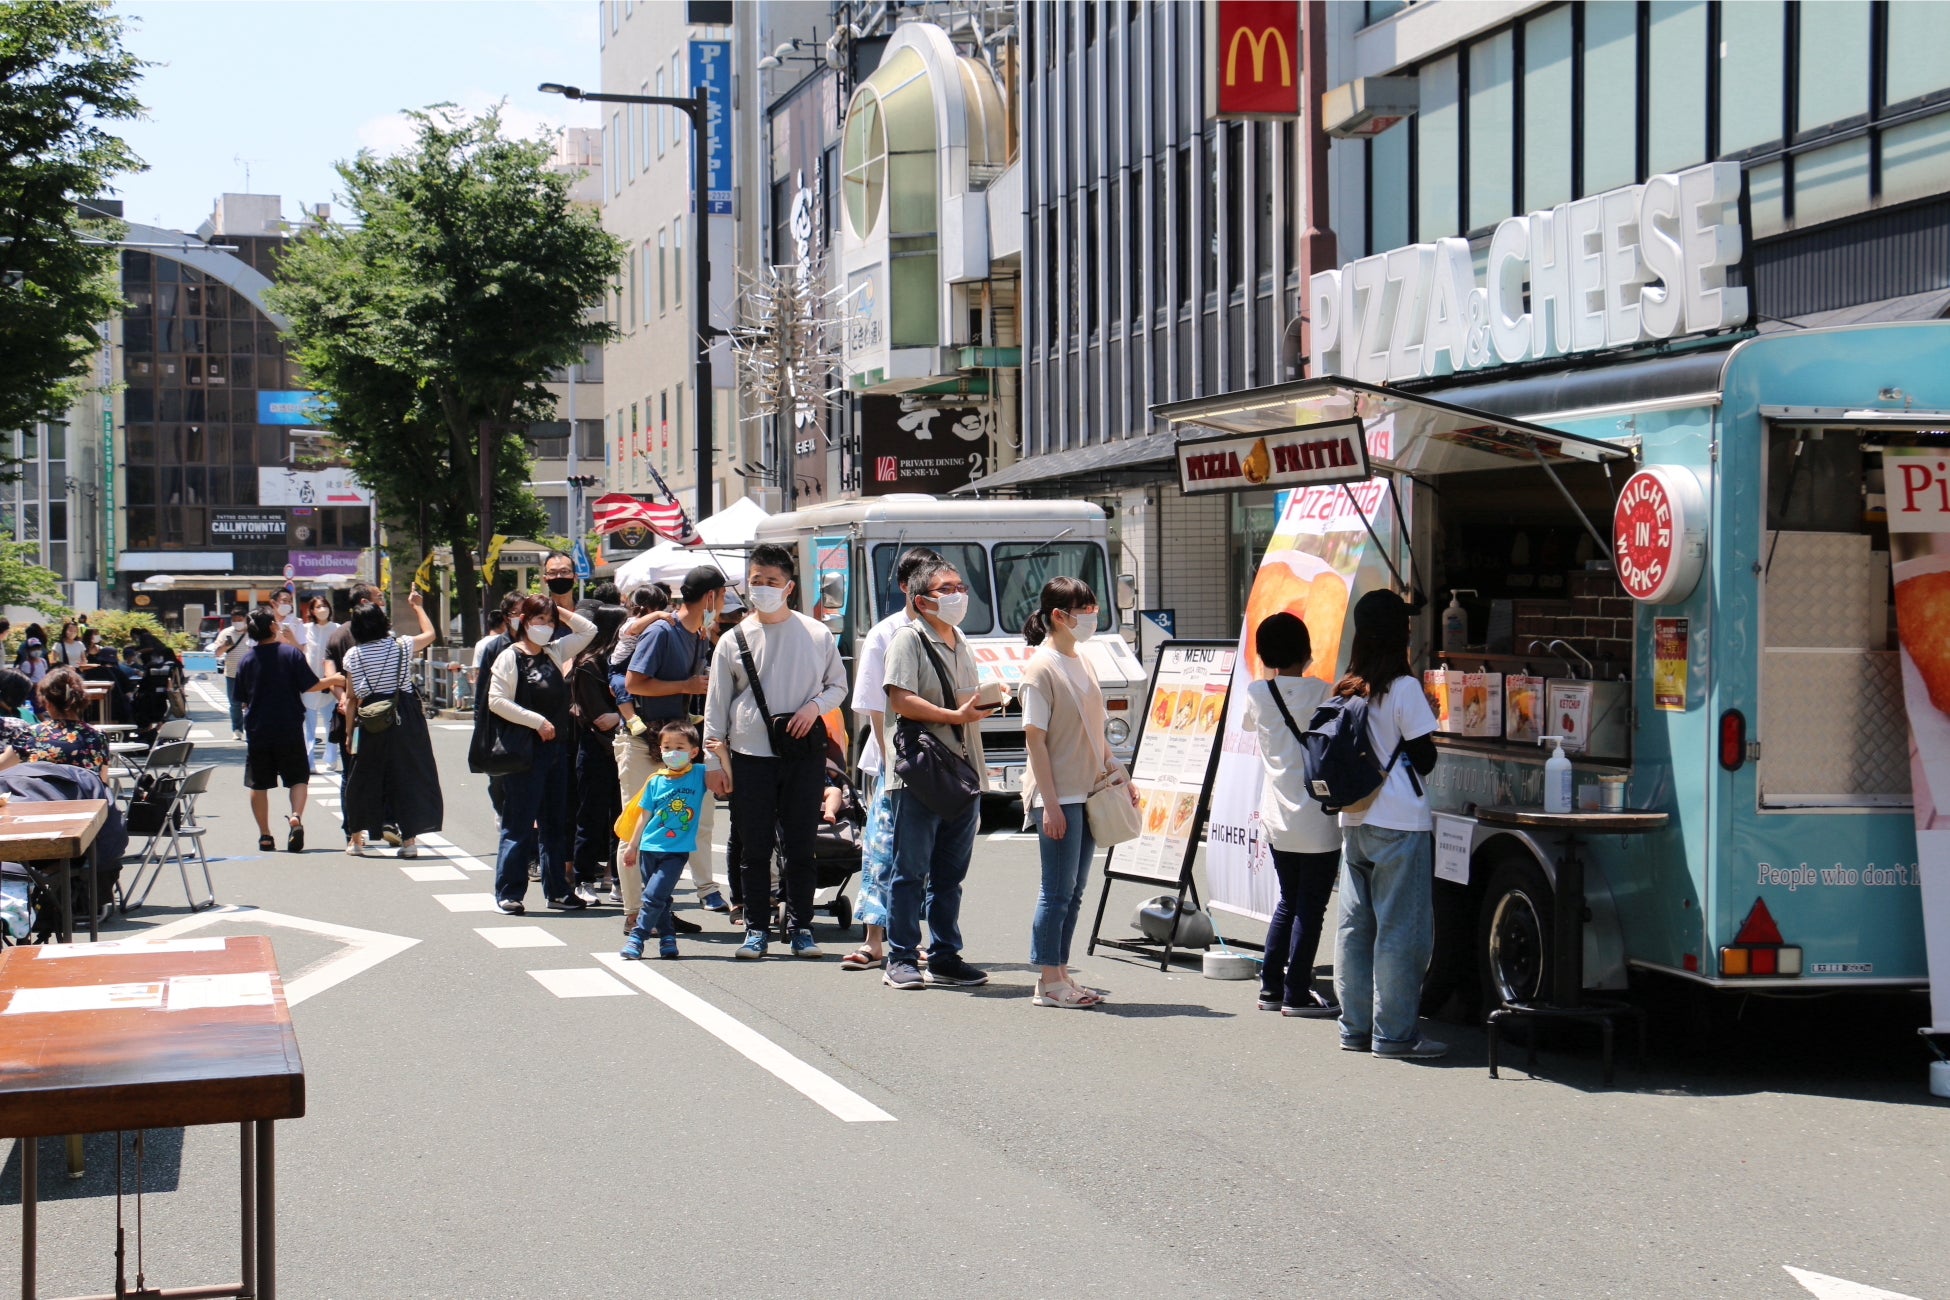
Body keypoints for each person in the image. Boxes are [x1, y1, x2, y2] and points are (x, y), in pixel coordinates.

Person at [702, 543, 848, 960]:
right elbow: (716, 706)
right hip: (750, 754)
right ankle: (755, 928)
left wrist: (813, 708)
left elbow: (838, 685)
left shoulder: (816, 633)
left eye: (772, 581)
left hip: (802, 755)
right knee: (754, 846)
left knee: (802, 844)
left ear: (789, 587)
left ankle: (802, 926)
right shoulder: (733, 640)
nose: (763, 588)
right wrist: (714, 761)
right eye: (756, 581)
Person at [1332, 589, 1444, 1060]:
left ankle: (1354, 1028)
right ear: (1399, 633)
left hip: (1354, 818)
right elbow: (1425, 758)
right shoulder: (1403, 688)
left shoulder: (1347, 685)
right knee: (1401, 929)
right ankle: (1395, 1035)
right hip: (1399, 820)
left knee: (1356, 928)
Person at [879, 557, 999, 991]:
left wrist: (982, 704)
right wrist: (955, 714)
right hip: (922, 773)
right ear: (921, 600)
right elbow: (900, 700)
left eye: (960, 586)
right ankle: (901, 956)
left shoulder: (960, 637)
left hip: (963, 771)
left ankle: (946, 955)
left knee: (951, 874)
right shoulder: (906, 640)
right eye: (946, 589)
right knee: (910, 870)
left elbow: (965, 701)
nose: (957, 595)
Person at [1020, 576, 1129, 1009]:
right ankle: (1049, 981)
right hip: (1059, 793)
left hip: (1087, 788)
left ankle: (1060, 974)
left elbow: (1095, 726)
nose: (1091, 618)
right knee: (1057, 890)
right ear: (1059, 617)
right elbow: (1035, 741)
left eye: (1094, 609)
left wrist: (1117, 769)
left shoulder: (1081, 660)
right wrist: (1048, 804)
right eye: (1083, 611)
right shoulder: (1040, 668)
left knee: (1075, 889)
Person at [839, 546, 938, 972]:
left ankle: (914, 940)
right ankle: (875, 940)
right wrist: (892, 762)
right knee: (883, 850)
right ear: (906, 587)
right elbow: (874, 708)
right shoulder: (886, 633)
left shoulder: (947, 632)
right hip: (896, 765)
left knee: (929, 857)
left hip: (941, 766)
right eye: (928, 585)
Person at [1244, 612, 1343, 1018]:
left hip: (1278, 817)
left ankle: (1271, 987)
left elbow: (1253, 728)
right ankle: (1297, 992)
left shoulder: (1256, 693)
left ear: (1265, 654)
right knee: (1311, 906)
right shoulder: (1327, 691)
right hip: (1319, 817)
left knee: (1289, 900)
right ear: (1307, 651)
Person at [624, 566, 727, 920]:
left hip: (679, 741)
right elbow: (634, 682)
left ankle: (661, 909)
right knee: (638, 825)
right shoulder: (661, 631)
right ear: (711, 597)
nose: (724, 604)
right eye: (723, 595)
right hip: (644, 741)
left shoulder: (698, 634)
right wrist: (685, 686)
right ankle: (636, 913)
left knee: (686, 822)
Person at [486, 594, 597, 913]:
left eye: (549, 622)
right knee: (518, 823)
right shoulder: (510, 656)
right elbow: (497, 701)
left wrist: (556, 608)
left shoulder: (554, 651)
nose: (545, 627)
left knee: (554, 823)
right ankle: (509, 891)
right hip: (523, 752)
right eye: (538, 620)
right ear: (523, 622)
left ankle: (558, 891)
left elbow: (588, 631)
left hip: (555, 750)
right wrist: (536, 721)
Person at [340, 592, 444, 858]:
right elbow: (430, 634)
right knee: (406, 776)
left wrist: (349, 733)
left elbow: (352, 698)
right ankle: (409, 841)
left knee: (363, 779)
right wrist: (418, 607)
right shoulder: (401, 645)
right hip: (404, 715)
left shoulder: (353, 655)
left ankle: (356, 840)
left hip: (370, 718)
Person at [236, 609, 343, 853]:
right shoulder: (290, 653)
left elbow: (241, 698)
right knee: (297, 778)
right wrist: (334, 679)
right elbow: (312, 685)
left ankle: (265, 835)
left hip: (258, 728)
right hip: (289, 725)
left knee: (258, 783)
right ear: (273, 628)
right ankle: (295, 816)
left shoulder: (247, 659)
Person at [618, 720, 708, 961]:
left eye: (679, 747)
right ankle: (668, 939)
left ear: (694, 752)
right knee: (661, 898)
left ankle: (638, 937)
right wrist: (633, 846)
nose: (672, 753)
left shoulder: (699, 774)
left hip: (676, 850)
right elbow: (643, 816)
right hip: (648, 847)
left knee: (652, 896)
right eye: (667, 748)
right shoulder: (655, 780)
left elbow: (726, 780)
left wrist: (720, 751)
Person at [570, 603, 628, 903]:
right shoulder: (589, 664)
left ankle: (619, 878)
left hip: (622, 748)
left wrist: (619, 717)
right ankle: (584, 879)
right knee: (590, 816)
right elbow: (597, 716)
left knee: (622, 818)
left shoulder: (626, 661)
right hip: (595, 748)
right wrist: (623, 716)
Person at [0, 669, 111, 776]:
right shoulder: (99, 735)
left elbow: (2, 766)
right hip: (88, 795)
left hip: (42, 794)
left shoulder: (31, 734)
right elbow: (103, 780)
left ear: (46, 702)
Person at [325, 584, 381, 779]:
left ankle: (350, 810)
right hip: (379, 716)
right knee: (377, 772)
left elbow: (331, 675)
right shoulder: (380, 636)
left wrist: (342, 699)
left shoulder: (337, 635)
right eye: (380, 598)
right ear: (365, 602)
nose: (383, 603)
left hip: (349, 714)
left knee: (350, 771)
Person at [299, 596, 341, 768]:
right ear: (312, 611)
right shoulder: (305, 628)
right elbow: (300, 649)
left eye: (324, 606)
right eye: (318, 607)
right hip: (309, 682)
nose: (322, 609)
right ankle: (309, 761)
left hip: (329, 681)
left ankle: (331, 758)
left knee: (331, 722)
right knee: (309, 725)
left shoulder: (336, 628)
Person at [129, 629, 182, 744]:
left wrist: (138, 651)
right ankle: (153, 729)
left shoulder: (145, 638)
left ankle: (144, 730)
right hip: (159, 702)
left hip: (147, 703)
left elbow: (150, 649)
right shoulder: (166, 667)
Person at [79, 629, 134, 724]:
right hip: (116, 714)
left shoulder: (90, 672)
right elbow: (129, 692)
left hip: (92, 714)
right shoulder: (119, 673)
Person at [213, 606, 252, 738]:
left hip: (250, 674)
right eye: (234, 620)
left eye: (240, 619)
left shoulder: (253, 632)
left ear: (245, 619)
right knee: (234, 703)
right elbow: (217, 653)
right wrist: (225, 646)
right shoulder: (226, 633)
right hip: (231, 673)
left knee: (251, 702)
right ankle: (237, 729)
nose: (237, 622)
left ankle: (251, 727)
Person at [469, 607, 508, 692]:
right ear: (503, 624)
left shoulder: (480, 644)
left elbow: (477, 669)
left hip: (486, 687)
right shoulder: (506, 641)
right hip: (503, 686)